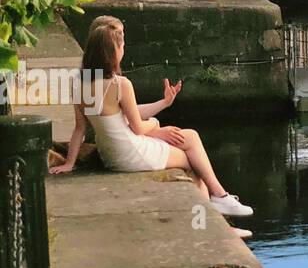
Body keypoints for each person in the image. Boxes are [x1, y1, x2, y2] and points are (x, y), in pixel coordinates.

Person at [50, 16, 253, 219]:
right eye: (121, 46)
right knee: (192, 161)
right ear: (112, 52)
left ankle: (219, 199)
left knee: (190, 136)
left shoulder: (79, 84)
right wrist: (156, 126)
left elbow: (80, 128)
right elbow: (138, 127)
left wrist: (69, 163)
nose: (124, 50)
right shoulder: (120, 84)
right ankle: (213, 212)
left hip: (112, 155)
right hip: (131, 154)